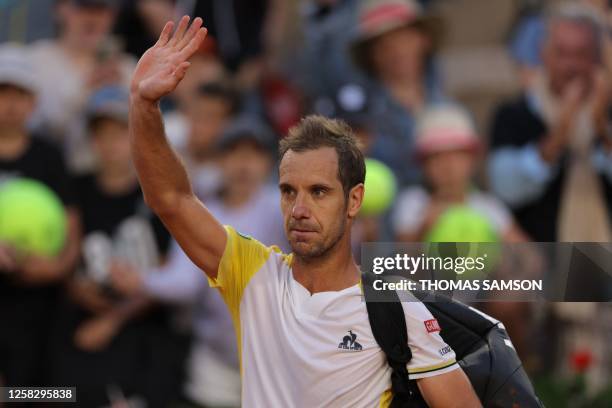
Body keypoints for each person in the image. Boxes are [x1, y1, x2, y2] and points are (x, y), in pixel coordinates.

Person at [128, 16, 481, 407]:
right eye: (288, 191)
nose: (299, 209)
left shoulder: (398, 309)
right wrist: (144, 104)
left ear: (354, 201)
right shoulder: (252, 274)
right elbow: (171, 199)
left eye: (319, 192)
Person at [111, 116, 285, 408]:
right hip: (215, 360)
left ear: (268, 163)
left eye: (255, 153)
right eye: (234, 152)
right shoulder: (205, 212)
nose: (244, 163)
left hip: (278, 360)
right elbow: (185, 283)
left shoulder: (282, 207)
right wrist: (141, 280)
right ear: (220, 160)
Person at [46, 86, 184, 407]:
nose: (110, 145)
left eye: (120, 133)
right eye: (101, 134)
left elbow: (169, 269)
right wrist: (76, 289)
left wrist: (114, 319)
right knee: (56, 395)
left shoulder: (159, 195)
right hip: (79, 318)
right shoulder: (74, 188)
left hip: (143, 325)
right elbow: (61, 252)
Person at [489, 3, 612, 242]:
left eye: (581, 54)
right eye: (562, 53)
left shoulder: (608, 112)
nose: (571, 66)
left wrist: (600, 126)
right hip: (544, 265)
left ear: (598, 59)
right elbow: (506, 189)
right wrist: (559, 135)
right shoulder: (513, 114)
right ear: (543, 55)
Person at [0, 44, 80, 386]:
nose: (10, 105)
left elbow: (72, 221)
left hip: (37, 303)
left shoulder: (50, 157)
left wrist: (57, 267)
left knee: (37, 392)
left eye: (20, 94)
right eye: (3, 93)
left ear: (33, 103)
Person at [393, 104, 527, 243]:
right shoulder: (413, 204)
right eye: (436, 157)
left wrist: (502, 255)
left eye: (456, 155)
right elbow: (402, 259)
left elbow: (531, 259)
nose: (447, 166)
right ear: (423, 165)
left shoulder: (489, 208)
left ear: (472, 160)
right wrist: (423, 230)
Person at [30, 0, 136, 173]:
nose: (92, 18)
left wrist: (121, 89)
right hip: (51, 173)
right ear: (60, 9)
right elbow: (38, 129)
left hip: (111, 182)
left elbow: (146, 132)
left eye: (101, 10)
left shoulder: (127, 67)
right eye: (83, 8)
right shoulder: (36, 60)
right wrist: (84, 89)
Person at [348, 0, 446, 185]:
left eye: (405, 37)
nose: (397, 50)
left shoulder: (447, 108)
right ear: (371, 55)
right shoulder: (359, 116)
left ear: (424, 40)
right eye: (384, 44)